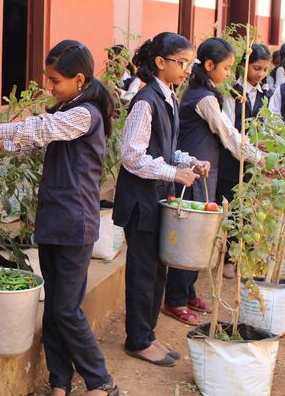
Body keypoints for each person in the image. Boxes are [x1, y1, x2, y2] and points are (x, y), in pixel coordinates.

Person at [0, 40, 119, 396]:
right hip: (55, 219)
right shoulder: (68, 109)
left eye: (55, 80)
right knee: (54, 306)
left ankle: (100, 380)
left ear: (79, 79)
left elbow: (34, 130)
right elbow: (19, 145)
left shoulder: (84, 115)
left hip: (76, 224)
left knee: (66, 309)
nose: (49, 87)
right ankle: (59, 381)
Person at [112, 32, 208, 367]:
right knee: (143, 273)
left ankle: (148, 333)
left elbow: (165, 149)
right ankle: (138, 340)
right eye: (181, 63)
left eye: (189, 63)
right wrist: (173, 174)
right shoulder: (145, 101)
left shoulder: (168, 96)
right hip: (140, 202)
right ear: (160, 62)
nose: (186, 70)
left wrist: (189, 162)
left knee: (157, 272)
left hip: (157, 199)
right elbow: (132, 157)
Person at [163, 38, 265, 324]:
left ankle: (188, 291)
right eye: (226, 68)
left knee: (200, 234)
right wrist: (260, 159)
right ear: (209, 65)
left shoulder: (204, 91)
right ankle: (175, 299)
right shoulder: (204, 98)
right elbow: (229, 135)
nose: (229, 73)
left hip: (204, 171)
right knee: (190, 235)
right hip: (191, 172)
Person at [218, 43, 272, 279]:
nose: (260, 74)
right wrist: (251, 143)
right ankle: (228, 259)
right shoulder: (232, 93)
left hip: (253, 161)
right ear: (245, 65)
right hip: (232, 158)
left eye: (264, 70)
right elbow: (229, 128)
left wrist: (263, 143)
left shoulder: (264, 95)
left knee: (249, 207)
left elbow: (266, 124)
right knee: (232, 207)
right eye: (256, 68)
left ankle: (244, 256)